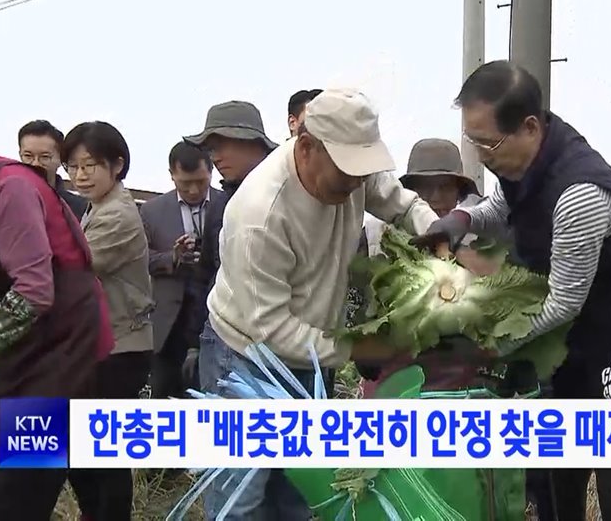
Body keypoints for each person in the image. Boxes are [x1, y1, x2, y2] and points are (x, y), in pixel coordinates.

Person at [415, 61, 611, 521]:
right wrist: (462, 219)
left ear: (529, 127)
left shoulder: (579, 194)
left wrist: (488, 344)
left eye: (488, 142)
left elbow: (564, 302)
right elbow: (502, 204)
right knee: (554, 479)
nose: (480, 154)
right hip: (567, 347)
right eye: (472, 140)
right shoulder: (525, 161)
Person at [201, 88, 439, 520]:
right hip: (244, 358)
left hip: (313, 352)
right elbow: (271, 330)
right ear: (306, 147)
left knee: (303, 488)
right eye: (344, 174)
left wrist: (441, 235)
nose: (354, 186)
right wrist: (357, 348)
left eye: (360, 175)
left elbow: (401, 203)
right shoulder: (260, 215)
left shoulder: (354, 171)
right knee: (242, 496)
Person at [0, 125, 112, 520]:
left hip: (59, 355)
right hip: (15, 354)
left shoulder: (10, 189)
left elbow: (34, 292)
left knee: (19, 497)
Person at [356, 137, 500, 396]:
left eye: (444, 187)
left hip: (460, 380)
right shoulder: (375, 236)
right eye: (424, 189)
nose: (435, 198)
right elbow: (354, 309)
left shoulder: (477, 242)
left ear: (459, 193)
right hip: (392, 377)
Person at [62, 121, 155, 521]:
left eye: (90, 166)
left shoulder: (117, 214)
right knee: (82, 449)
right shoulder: (98, 207)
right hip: (104, 344)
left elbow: (71, 271)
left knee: (102, 453)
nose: (80, 176)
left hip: (121, 345)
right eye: (73, 167)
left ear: (117, 165)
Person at [183, 100, 277, 393]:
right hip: (222, 335)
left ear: (253, 143)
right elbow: (206, 275)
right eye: (210, 149)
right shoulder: (221, 203)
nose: (216, 157)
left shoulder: (285, 197)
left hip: (279, 337)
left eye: (221, 144)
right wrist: (193, 343)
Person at [140, 141, 226, 398]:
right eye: (184, 182)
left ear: (211, 172)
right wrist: (172, 257)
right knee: (163, 394)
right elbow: (140, 260)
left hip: (215, 313)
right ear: (171, 175)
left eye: (200, 182)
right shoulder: (152, 211)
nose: (193, 190)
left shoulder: (228, 203)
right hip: (169, 322)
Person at [17, 119, 88, 219]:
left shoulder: (81, 208)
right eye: (28, 156)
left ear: (60, 159)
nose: (35, 163)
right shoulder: (6, 202)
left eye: (45, 157)